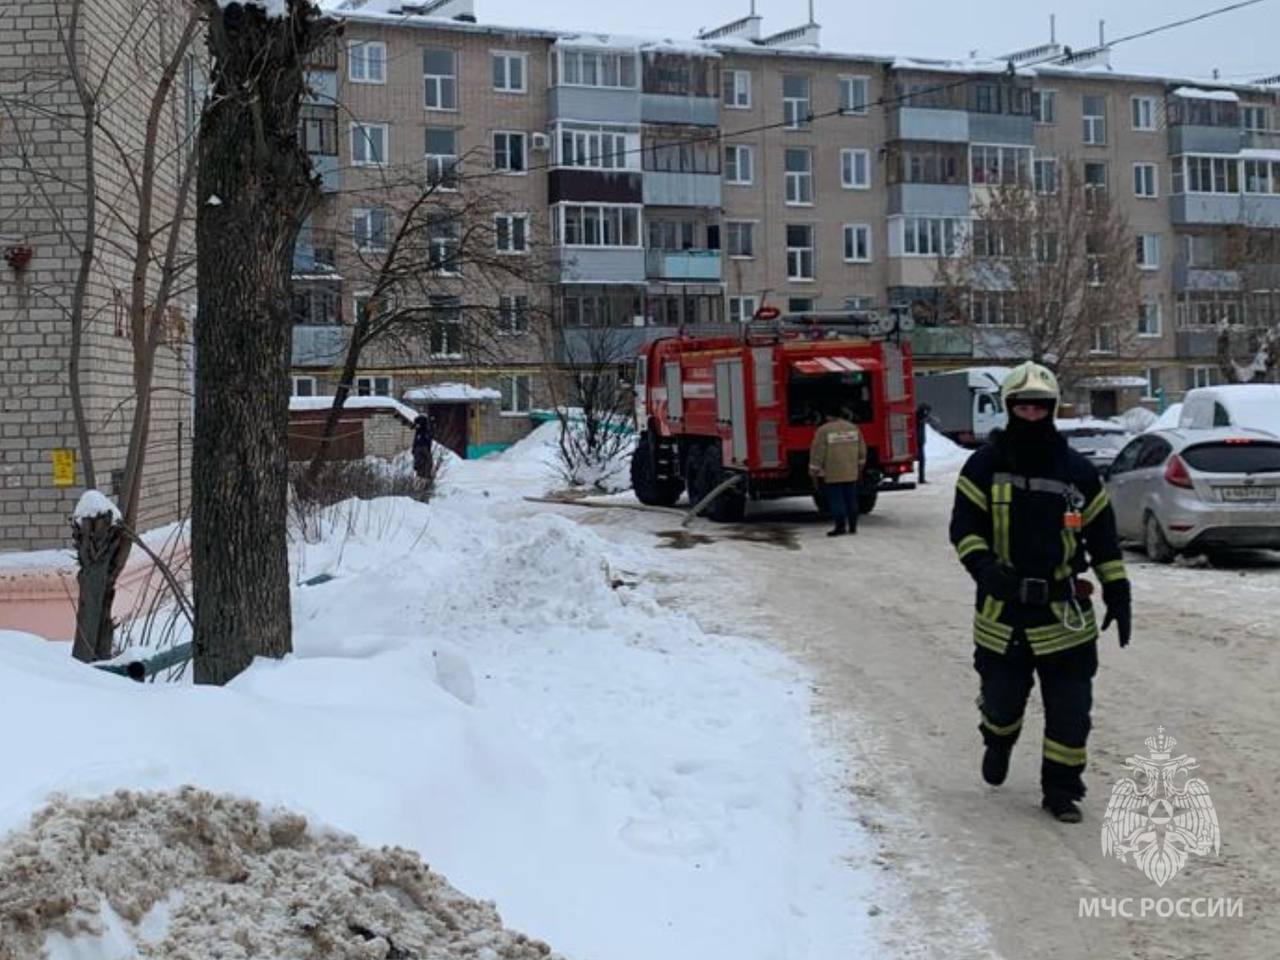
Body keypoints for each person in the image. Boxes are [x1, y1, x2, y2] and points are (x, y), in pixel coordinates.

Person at [948, 362, 1131, 824]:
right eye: (1023, 407)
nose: (1031, 415)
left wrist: (1118, 589)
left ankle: (1062, 790)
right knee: (1002, 704)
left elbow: (1103, 537)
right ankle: (997, 738)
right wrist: (983, 567)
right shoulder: (984, 466)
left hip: (1064, 615)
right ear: (1010, 409)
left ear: (1052, 411)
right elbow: (964, 528)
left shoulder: (1078, 473)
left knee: (1071, 713)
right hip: (1002, 615)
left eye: (1040, 408)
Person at [809, 407, 867, 537]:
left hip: (833, 472)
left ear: (829, 416)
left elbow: (818, 452)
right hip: (851, 471)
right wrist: (860, 465)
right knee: (851, 499)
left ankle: (840, 527)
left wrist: (814, 470)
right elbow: (862, 449)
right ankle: (853, 526)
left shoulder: (823, 430)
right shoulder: (853, 428)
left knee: (837, 500)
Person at [915, 403, 935, 484]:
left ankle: (921, 478)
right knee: (922, 460)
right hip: (918, 441)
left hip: (920, 441)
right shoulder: (919, 418)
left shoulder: (920, 417)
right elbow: (923, 420)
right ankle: (921, 478)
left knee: (922, 461)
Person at [412, 414, 434, 479]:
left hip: (422, 448)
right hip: (421, 448)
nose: (416, 426)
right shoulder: (422, 431)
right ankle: (424, 477)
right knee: (423, 463)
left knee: (424, 463)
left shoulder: (423, 431)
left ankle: (424, 477)